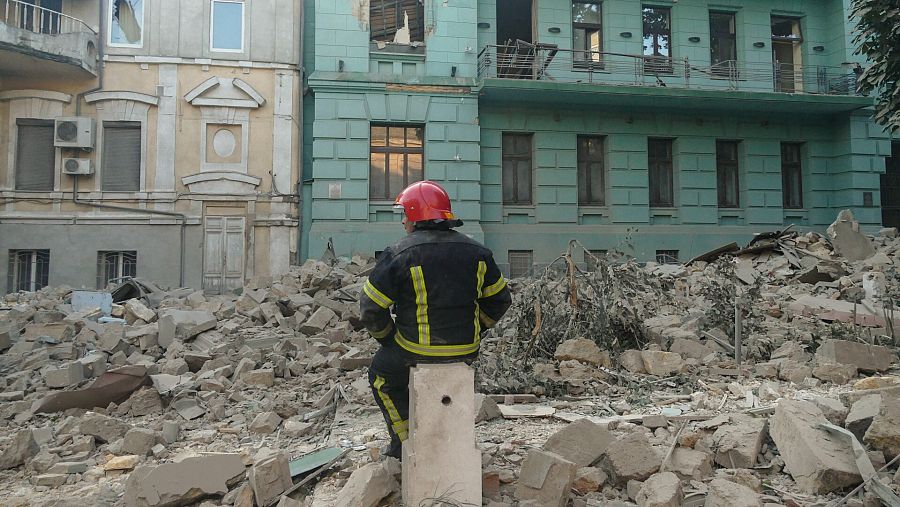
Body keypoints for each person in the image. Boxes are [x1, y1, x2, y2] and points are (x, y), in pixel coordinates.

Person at [360, 180, 512, 459]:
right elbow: (500, 300)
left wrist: (388, 338)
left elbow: (371, 307)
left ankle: (402, 443)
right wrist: (476, 332)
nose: (403, 220)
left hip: (414, 348)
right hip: (465, 350)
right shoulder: (478, 253)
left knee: (381, 377)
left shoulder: (399, 253)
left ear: (416, 214)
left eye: (405, 213)